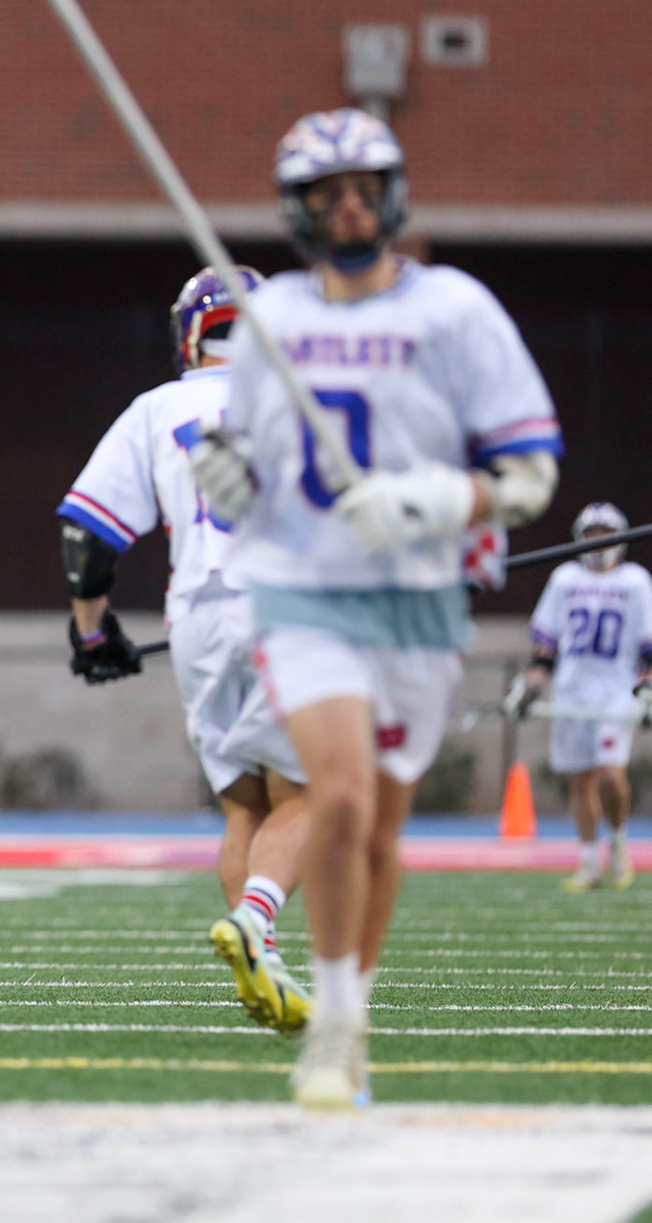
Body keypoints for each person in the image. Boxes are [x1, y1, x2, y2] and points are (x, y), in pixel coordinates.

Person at [191, 108, 561, 1109]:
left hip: (417, 599)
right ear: (299, 210)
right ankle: (329, 1031)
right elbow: (252, 474)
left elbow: (530, 473)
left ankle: (351, 1008)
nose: (349, 208)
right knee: (341, 794)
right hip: (305, 593)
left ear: (392, 197)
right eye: (328, 194)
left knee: (382, 825)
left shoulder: (456, 311)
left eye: (365, 189)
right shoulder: (275, 323)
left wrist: (442, 499)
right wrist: (232, 483)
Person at [57, 266, 313, 1035]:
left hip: (198, 611)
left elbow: (86, 538)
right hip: (288, 604)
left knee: (244, 801)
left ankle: (261, 958)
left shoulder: (157, 408)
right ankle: (256, 921)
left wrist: (92, 631)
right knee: (307, 794)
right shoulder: (306, 398)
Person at [513, 502, 649, 891]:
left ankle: (618, 842)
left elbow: (648, 646)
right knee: (581, 780)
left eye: (605, 534)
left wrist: (648, 684)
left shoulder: (635, 581)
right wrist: (531, 684)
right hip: (572, 690)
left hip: (617, 691)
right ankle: (589, 862)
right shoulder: (565, 579)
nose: (598, 541)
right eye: (592, 534)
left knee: (611, 773)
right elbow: (546, 644)